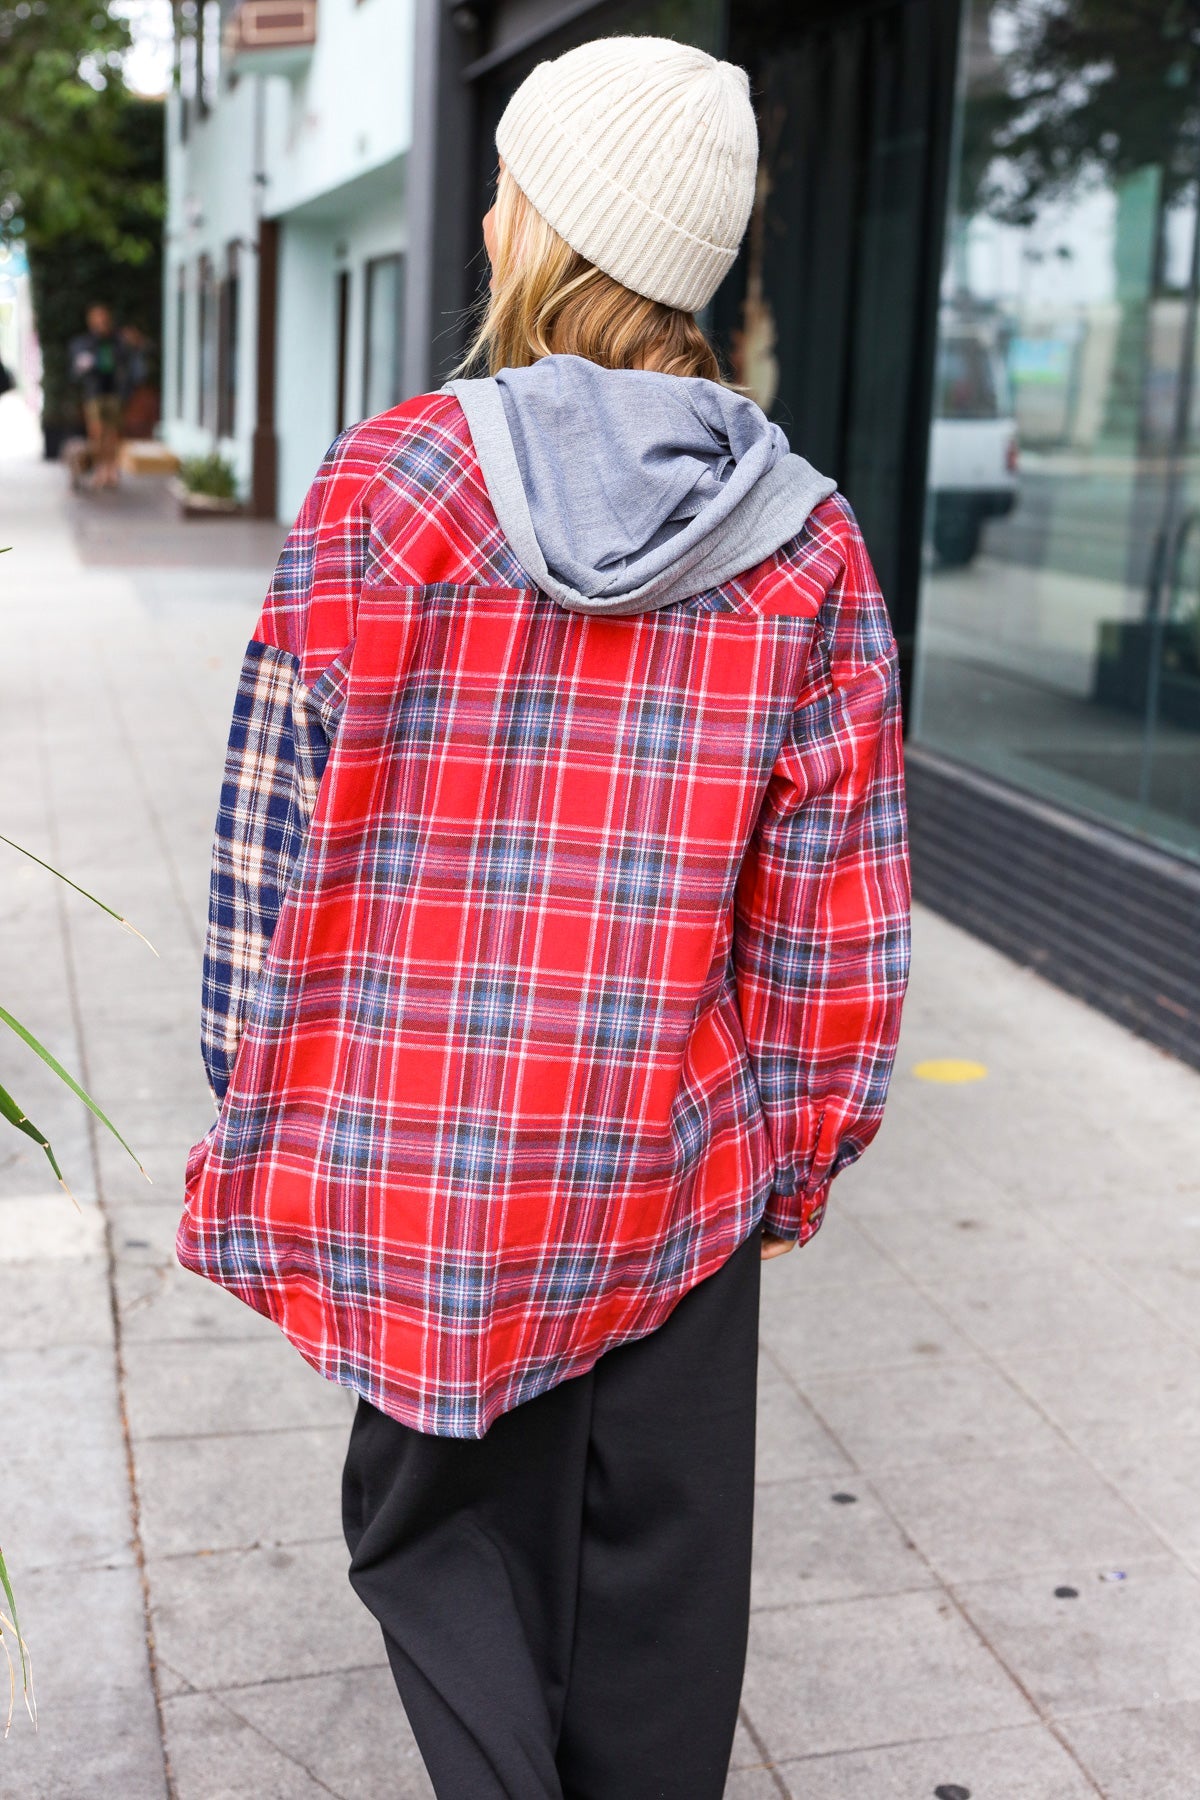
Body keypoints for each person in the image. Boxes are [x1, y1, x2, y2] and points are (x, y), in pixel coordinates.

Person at [178, 34, 911, 1800]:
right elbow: (835, 925)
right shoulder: (807, 550)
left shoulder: (388, 488)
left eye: (511, 180)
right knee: (660, 1586)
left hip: (431, 1160)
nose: (492, 204)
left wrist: (256, 1085)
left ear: (549, 231)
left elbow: (268, 839)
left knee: (434, 1539)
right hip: (673, 1162)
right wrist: (795, 1159)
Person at [68, 303, 129, 488]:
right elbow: (76, 369)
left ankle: (111, 470)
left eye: (104, 318)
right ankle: (99, 469)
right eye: (98, 319)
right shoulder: (85, 342)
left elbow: (126, 363)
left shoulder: (117, 341)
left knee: (113, 434)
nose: (101, 322)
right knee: (97, 434)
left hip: (114, 393)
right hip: (94, 393)